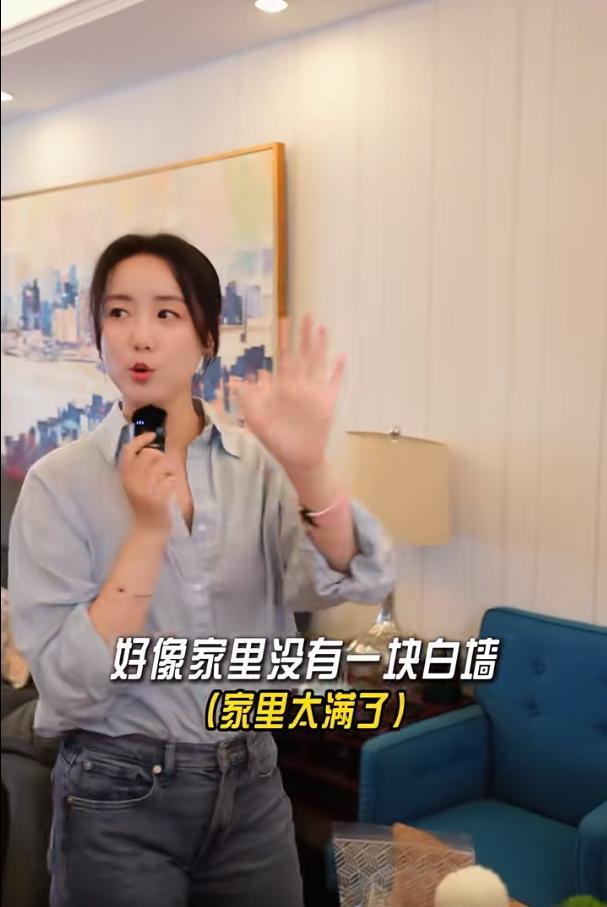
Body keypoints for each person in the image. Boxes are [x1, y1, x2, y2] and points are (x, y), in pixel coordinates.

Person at [8, 233, 397, 907]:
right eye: (118, 312)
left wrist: (308, 467)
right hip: (115, 791)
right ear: (97, 333)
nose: (140, 336)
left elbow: (349, 578)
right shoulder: (57, 483)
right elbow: (67, 685)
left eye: (167, 313)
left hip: (251, 781)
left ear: (207, 337)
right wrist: (147, 533)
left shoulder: (258, 466)